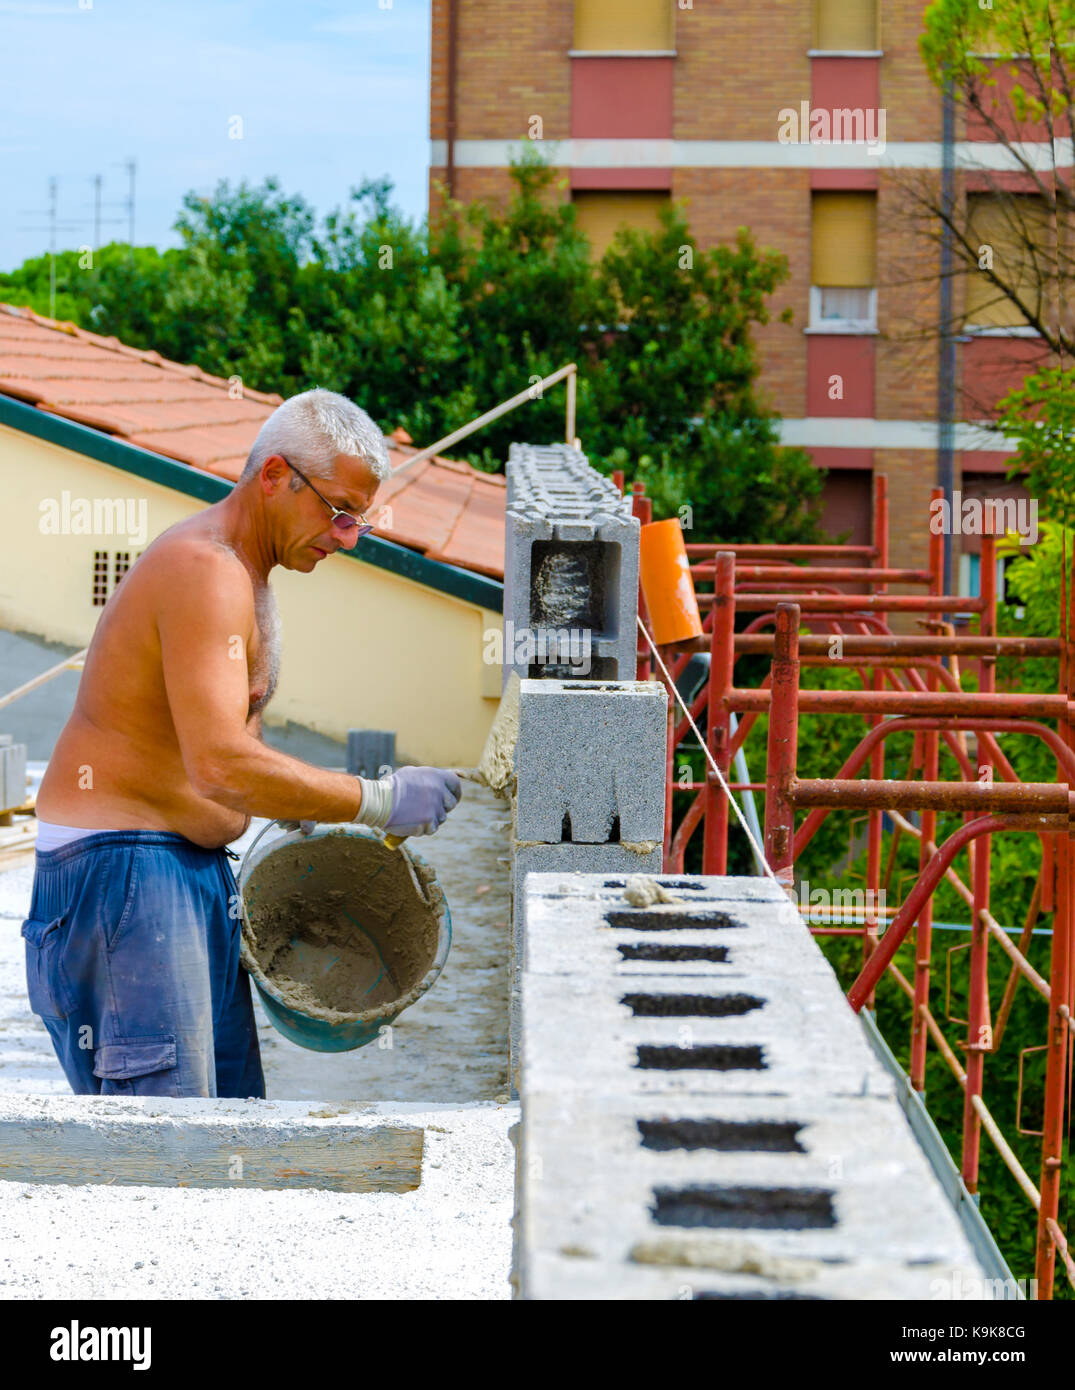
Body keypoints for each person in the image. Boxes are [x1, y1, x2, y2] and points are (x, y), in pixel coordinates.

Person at [25, 388, 462, 1099]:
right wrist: (377, 799)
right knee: (164, 1152)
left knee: (225, 1127)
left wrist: (288, 793)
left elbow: (223, 744)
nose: (348, 537)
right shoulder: (205, 570)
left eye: (360, 521)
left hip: (174, 870)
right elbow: (220, 763)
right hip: (124, 875)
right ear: (273, 476)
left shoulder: (247, 573)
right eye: (339, 513)